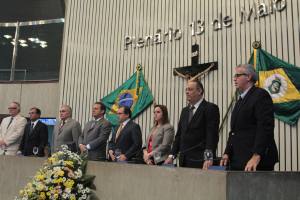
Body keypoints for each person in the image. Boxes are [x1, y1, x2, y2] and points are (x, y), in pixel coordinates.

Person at [220, 64, 279, 171]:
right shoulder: (240, 101)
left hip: (256, 161)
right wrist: (227, 152)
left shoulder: (260, 95)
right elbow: (234, 131)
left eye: (237, 75)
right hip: (239, 159)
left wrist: (257, 155)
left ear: (248, 77)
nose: (234, 78)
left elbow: (265, 127)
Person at [164, 79, 220, 169]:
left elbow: (212, 136)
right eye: (186, 89)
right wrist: (171, 155)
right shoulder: (185, 111)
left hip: (200, 161)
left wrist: (208, 157)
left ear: (199, 91)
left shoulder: (210, 108)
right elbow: (179, 136)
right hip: (183, 160)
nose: (186, 92)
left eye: (190, 89)